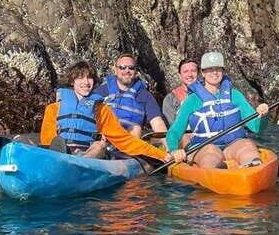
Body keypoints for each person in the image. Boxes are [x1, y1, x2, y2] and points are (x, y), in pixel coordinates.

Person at [39, 60, 185, 163]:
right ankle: (60, 160)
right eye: (80, 78)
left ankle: (78, 163)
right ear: (72, 81)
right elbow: (47, 139)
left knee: (100, 145)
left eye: (89, 78)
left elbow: (124, 140)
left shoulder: (101, 110)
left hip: (87, 157)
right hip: (60, 154)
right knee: (54, 145)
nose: (86, 82)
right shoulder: (53, 109)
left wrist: (160, 154)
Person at [167, 51, 269, 169]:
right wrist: (174, 150)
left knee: (247, 144)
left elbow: (256, 128)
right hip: (203, 147)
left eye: (218, 69)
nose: (214, 72)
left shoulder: (235, 95)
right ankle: (215, 174)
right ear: (203, 73)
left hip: (233, 145)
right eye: (210, 69)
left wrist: (263, 116)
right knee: (210, 153)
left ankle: (252, 168)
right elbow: (175, 131)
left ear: (223, 71)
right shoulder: (192, 100)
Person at [93, 53, 167, 139]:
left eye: (131, 68)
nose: (127, 70)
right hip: (103, 138)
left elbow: (157, 123)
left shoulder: (144, 96)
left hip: (130, 140)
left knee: (136, 129)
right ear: (115, 70)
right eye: (122, 67)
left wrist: (171, 148)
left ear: (136, 72)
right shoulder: (102, 91)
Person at [162, 57, 199, 125]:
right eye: (185, 71)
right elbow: (172, 126)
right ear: (179, 75)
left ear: (199, 73)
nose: (190, 75)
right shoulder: (170, 99)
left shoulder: (206, 94)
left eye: (193, 71)